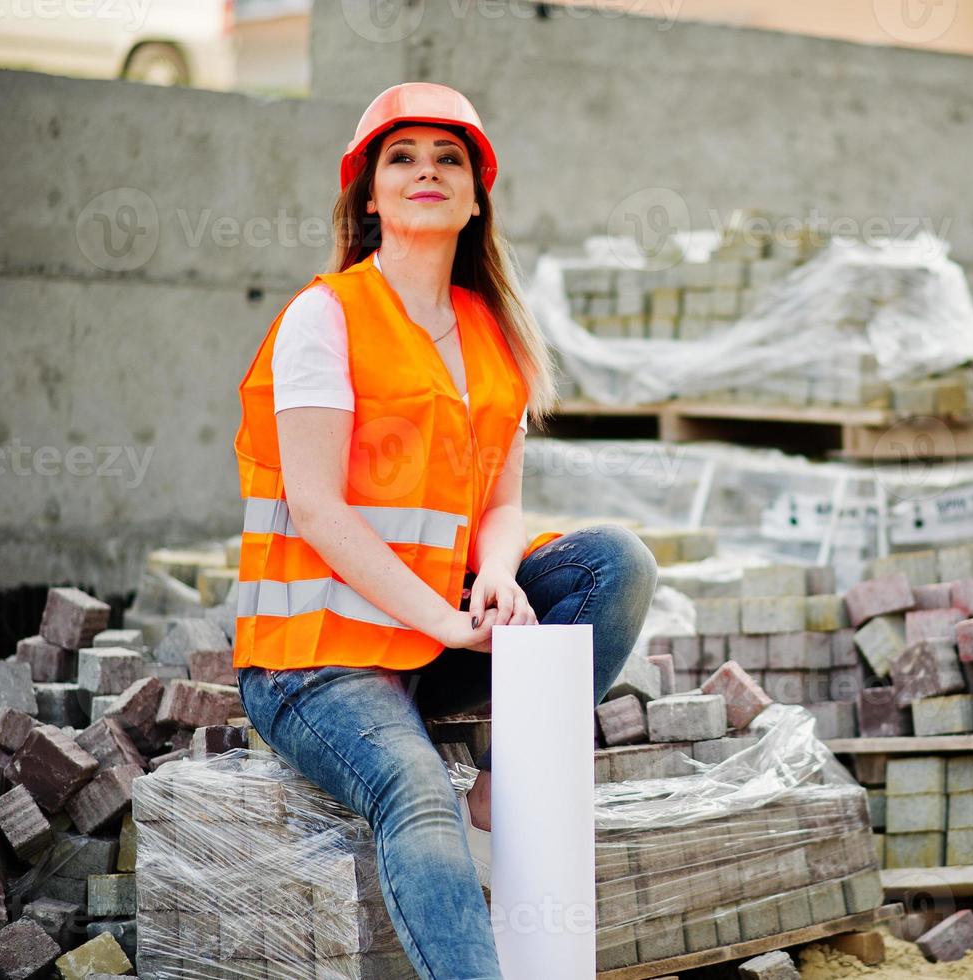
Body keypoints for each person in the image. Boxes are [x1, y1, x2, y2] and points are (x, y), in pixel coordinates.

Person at [230, 82, 657, 980]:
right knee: (416, 791)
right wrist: (443, 620)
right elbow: (317, 509)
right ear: (370, 197)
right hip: (316, 660)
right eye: (402, 157)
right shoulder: (327, 316)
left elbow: (501, 503)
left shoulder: (490, 333)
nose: (426, 171)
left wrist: (497, 576)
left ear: (473, 199)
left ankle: (499, 795)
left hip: (429, 647)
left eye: (448, 159)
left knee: (614, 561)